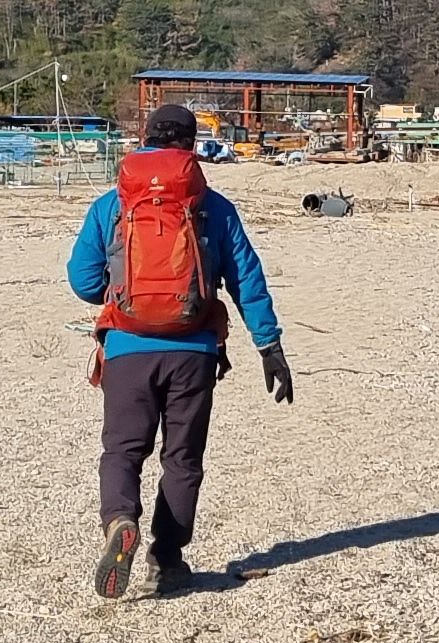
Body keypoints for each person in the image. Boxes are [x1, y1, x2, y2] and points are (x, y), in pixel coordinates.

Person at [68, 102, 288, 598]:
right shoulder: (214, 206)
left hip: (127, 347)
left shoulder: (111, 204)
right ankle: (167, 560)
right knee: (182, 459)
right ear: (191, 147)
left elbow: (81, 280)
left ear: (143, 138)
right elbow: (247, 279)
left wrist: (120, 293)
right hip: (194, 351)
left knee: (123, 450)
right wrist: (269, 345)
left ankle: (119, 520)